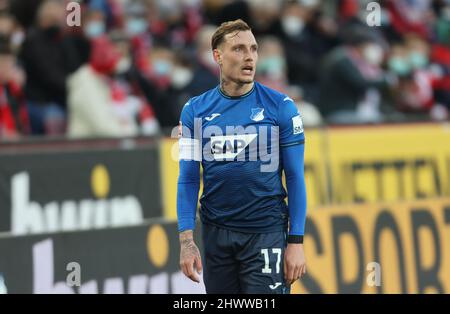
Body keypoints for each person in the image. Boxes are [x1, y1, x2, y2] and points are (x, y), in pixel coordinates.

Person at [176, 19, 307, 294]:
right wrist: (186, 242)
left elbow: (294, 177)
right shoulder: (193, 112)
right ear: (218, 56)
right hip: (216, 235)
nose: (249, 56)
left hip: (265, 233)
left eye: (254, 48)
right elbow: (188, 180)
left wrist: (296, 242)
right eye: (238, 49)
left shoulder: (282, 108)